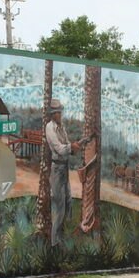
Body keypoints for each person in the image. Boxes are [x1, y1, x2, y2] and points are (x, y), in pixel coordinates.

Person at [45, 99, 81, 246]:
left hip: (64, 167)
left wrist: (74, 147)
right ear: (53, 114)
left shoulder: (61, 127)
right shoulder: (50, 128)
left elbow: (66, 144)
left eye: (60, 112)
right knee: (59, 207)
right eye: (58, 113)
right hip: (57, 169)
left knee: (68, 201)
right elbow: (59, 148)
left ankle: (61, 236)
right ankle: (54, 242)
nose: (60, 115)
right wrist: (71, 147)